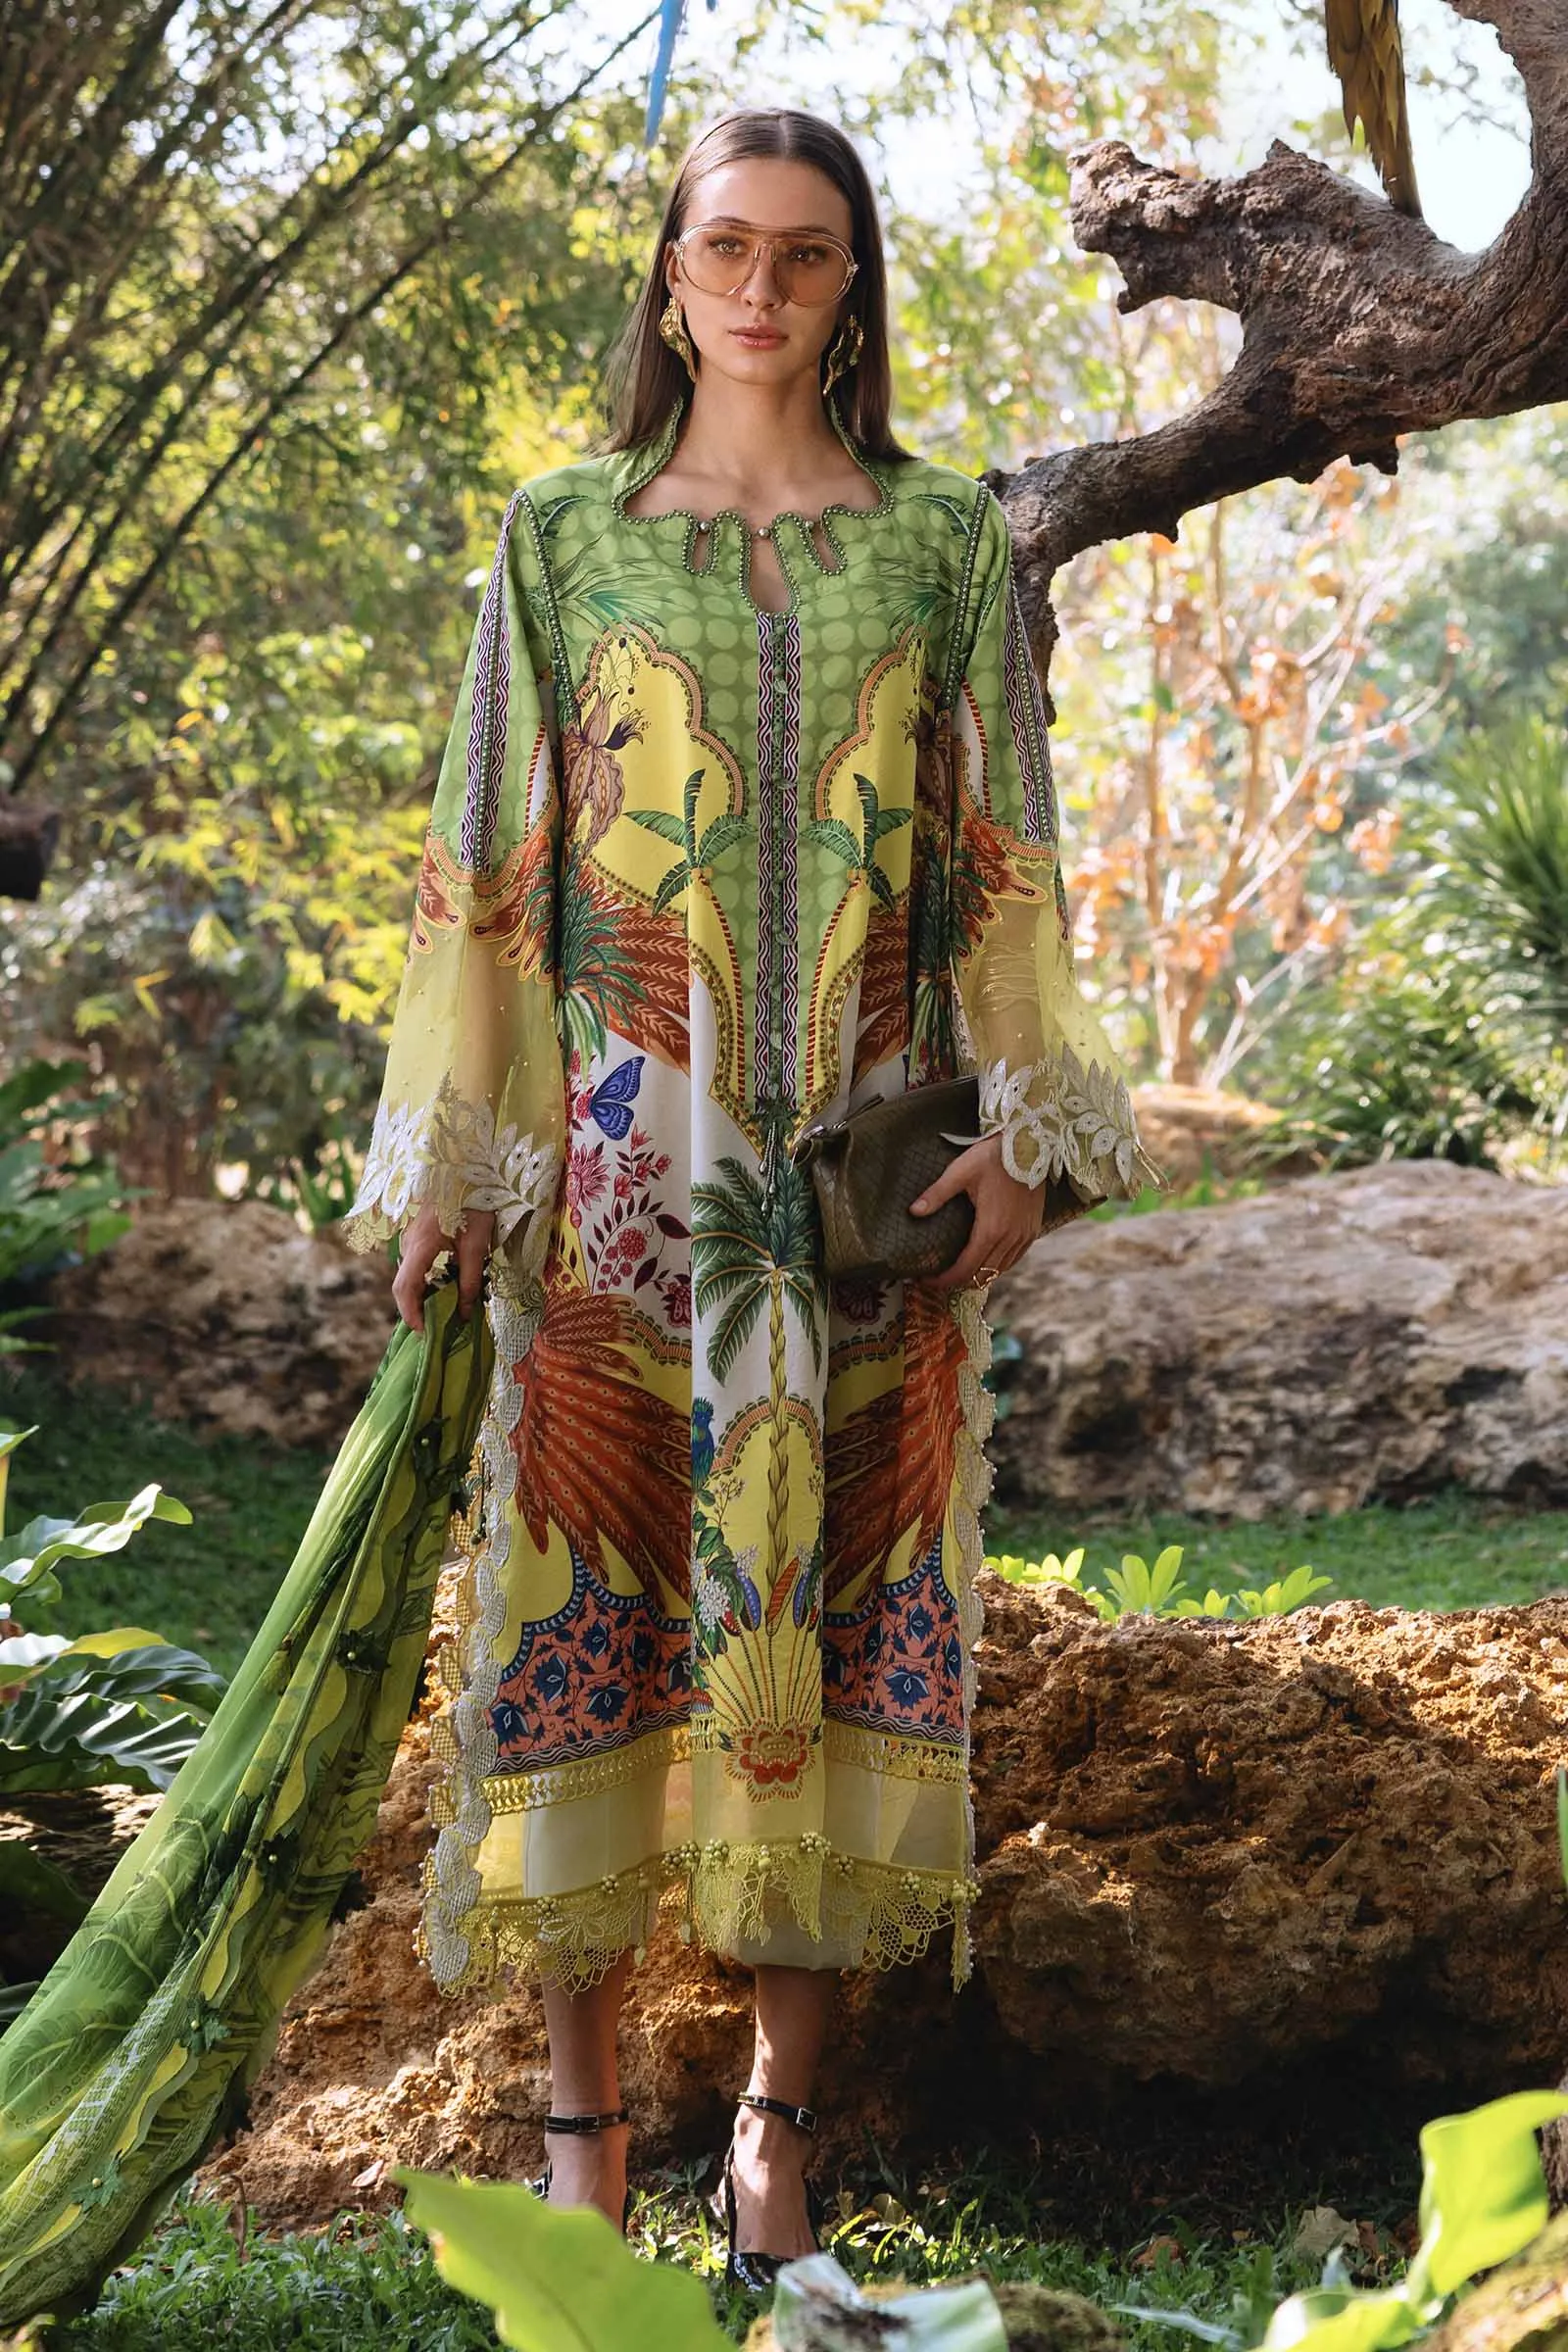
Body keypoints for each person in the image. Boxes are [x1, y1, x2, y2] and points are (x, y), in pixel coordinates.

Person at [343, 103, 1157, 2287]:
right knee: (588, 1615)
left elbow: (1007, 850)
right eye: (727, 246)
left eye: (805, 252)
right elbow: (487, 858)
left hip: (861, 1203)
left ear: (851, 281)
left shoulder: (942, 540)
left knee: (850, 1621)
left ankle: (777, 2137)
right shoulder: (563, 534)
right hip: (619, 1194)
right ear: (671, 271)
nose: (763, 288)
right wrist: (459, 1161)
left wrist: (1023, 1134)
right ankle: (584, 2127)